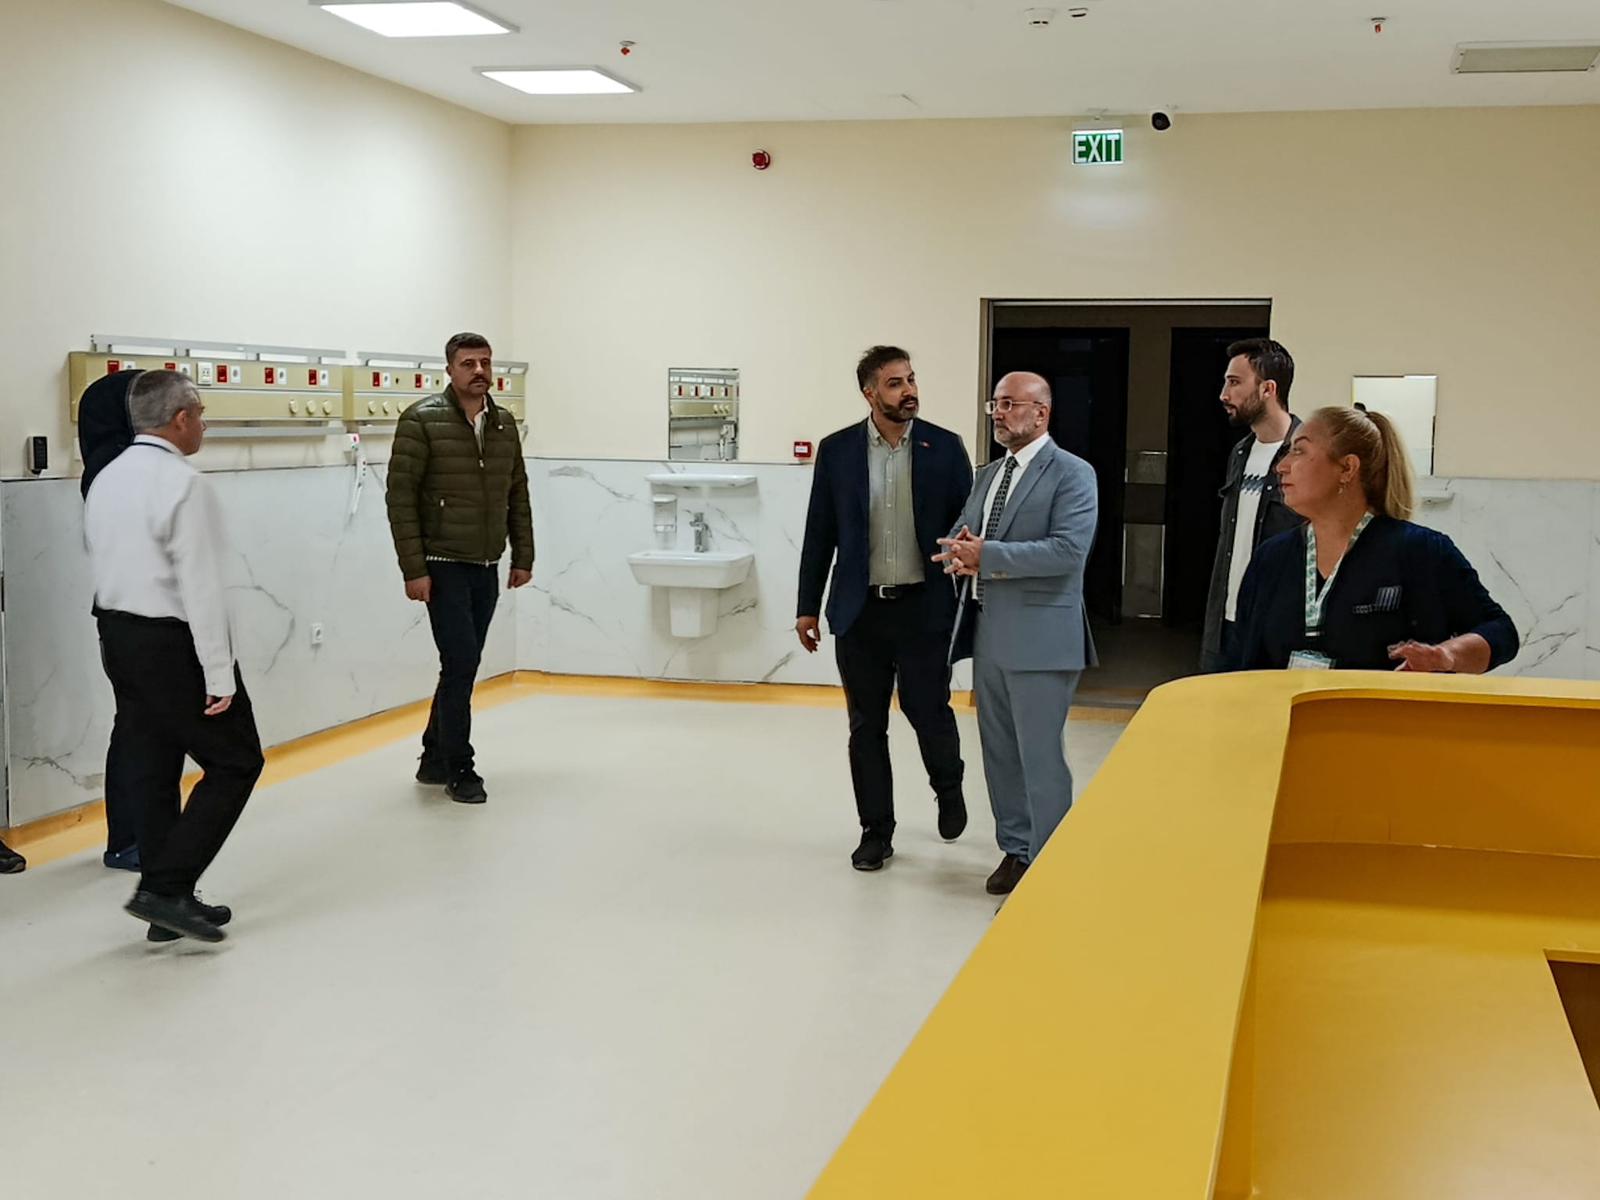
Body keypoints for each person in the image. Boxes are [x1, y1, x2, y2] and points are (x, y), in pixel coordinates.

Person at [85, 369, 265, 942]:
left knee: (154, 764)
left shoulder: (107, 476)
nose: (204, 425)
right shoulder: (185, 485)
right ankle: (165, 888)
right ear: (181, 419)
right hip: (172, 643)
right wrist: (219, 673)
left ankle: (168, 908)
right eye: (201, 415)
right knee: (237, 762)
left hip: (118, 635)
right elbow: (201, 587)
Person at [796, 345, 974, 871]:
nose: (909, 390)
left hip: (924, 609)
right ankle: (876, 831)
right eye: (895, 383)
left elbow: (967, 528)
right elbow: (819, 532)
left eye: (911, 379)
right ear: (870, 393)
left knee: (928, 711)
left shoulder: (944, 447)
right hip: (861, 612)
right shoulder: (838, 451)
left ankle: (948, 786)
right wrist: (808, 607)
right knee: (865, 725)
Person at [936, 372, 1098, 896]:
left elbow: (1068, 551)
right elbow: (966, 530)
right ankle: (1016, 848)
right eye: (996, 405)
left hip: (1043, 638)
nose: (999, 414)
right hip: (989, 633)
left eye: (1010, 404)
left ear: (1041, 413)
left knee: (1039, 757)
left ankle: (1049, 858)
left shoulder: (1072, 474)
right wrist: (957, 551)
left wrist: (987, 556)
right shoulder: (989, 474)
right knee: (1000, 753)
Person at [1232, 406, 1519, 672]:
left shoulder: (1421, 552)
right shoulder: (1270, 558)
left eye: (1299, 451)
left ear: (1347, 468)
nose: (1281, 466)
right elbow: (1239, 663)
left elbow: (1501, 632)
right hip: (1287, 711)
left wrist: (1446, 656)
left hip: (1385, 711)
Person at [386, 332, 533, 804]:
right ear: (449, 370)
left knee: (461, 665)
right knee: (462, 662)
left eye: (485, 362)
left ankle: (433, 756)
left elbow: (517, 492)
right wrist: (413, 569)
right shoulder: (421, 421)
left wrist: (523, 555)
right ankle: (460, 767)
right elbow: (400, 500)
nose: (479, 371)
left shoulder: (503, 424)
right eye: (468, 363)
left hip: (486, 563)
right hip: (442, 563)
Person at [77, 367, 149, 872]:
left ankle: (136, 833)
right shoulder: (114, 470)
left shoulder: (125, 463)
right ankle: (127, 838)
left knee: (140, 725)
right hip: (131, 619)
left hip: (132, 615)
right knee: (138, 727)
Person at [1201, 338, 1302, 672]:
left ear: (1267, 389)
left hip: (1278, 626)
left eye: (1234, 382)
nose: (1224, 395)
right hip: (1228, 622)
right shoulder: (1240, 452)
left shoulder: (1306, 456)